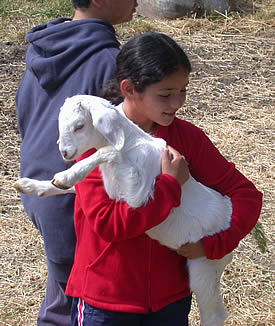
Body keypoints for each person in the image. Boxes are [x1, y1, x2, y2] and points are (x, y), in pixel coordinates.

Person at [65, 32, 263, 325]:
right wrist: (170, 186)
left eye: (183, 90)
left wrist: (214, 244)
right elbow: (109, 224)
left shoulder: (186, 138)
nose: (177, 102)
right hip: (106, 299)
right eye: (165, 94)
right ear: (129, 89)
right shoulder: (98, 142)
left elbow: (246, 194)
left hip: (170, 298)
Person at [15, 0, 137, 325]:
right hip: (78, 207)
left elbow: (25, 118)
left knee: (60, 298)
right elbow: (120, 147)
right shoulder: (109, 61)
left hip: (42, 194)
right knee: (78, 308)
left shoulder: (45, 48)